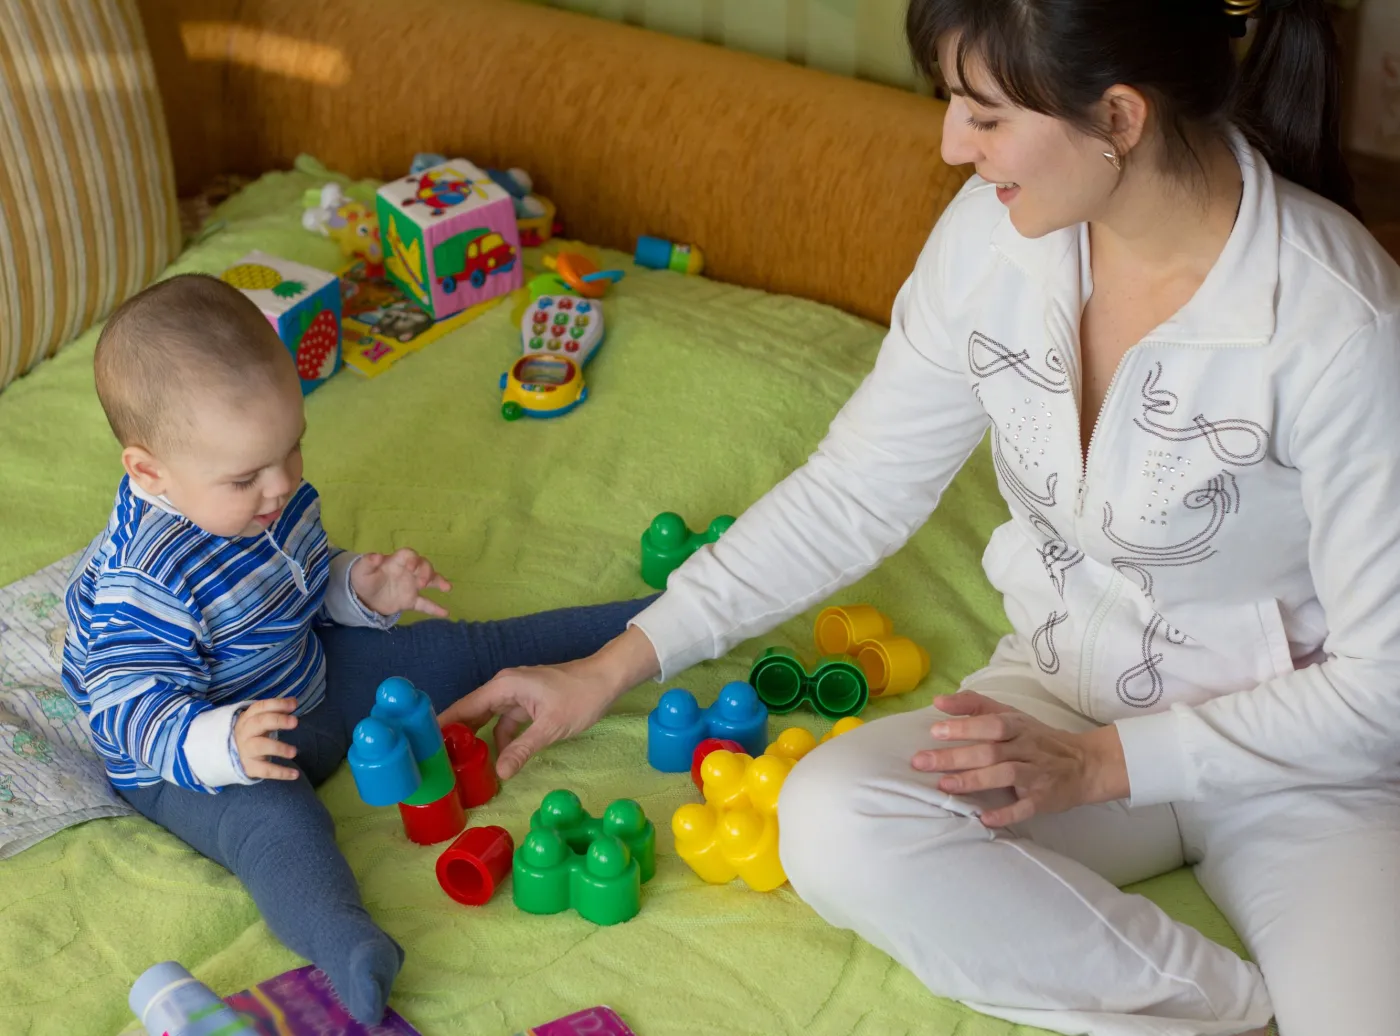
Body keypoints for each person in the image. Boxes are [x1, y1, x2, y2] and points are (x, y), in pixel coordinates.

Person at [440, 0, 1400, 1033]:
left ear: (1118, 116)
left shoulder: (1338, 325)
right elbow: (856, 487)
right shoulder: (993, 243)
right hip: (1059, 699)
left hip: (1292, 764)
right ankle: (1233, 1015)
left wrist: (1100, 767)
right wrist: (609, 665)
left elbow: (1379, 688)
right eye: (950, 102)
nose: (950, 146)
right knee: (833, 820)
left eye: (982, 116)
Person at [62, 274, 652, 1024]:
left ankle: (648, 622)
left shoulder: (263, 492)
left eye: (293, 447)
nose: (280, 486)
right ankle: (346, 944)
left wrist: (360, 591)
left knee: (454, 651)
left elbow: (300, 581)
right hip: (197, 754)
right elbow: (127, 712)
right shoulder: (140, 581)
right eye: (247, 477)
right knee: (278, 830)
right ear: (150, 473)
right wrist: (221, 743)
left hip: (305, 670)